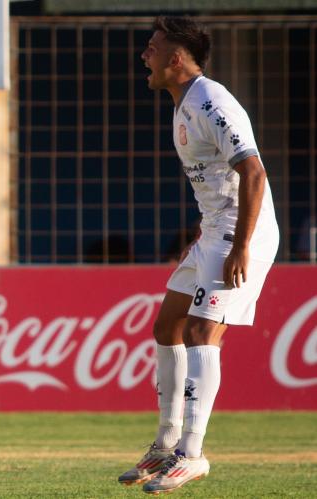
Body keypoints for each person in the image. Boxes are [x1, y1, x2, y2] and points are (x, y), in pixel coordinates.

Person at [119, 16, 279, 494]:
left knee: (201, 330)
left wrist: (240, 246)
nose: (143, 56)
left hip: (237, 234)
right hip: (213, 232)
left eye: (151, 48)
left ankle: (192, 453)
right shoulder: (182, 104)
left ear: (175, 59)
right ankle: (166, 444)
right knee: (167, 325)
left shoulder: (211, 100)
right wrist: (208, 234)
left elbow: (253, 172)